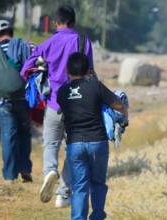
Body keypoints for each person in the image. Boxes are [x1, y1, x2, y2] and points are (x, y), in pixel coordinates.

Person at [21, 5, 93, 207]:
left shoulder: (48, 43)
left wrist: (41, 70)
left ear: (55, 22)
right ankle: (63, 193)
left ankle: (49, 171)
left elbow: (26, 69)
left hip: (54, 103)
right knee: (73, 149)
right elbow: (91, 72)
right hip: (78, 106)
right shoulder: (83, 41)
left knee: (51, 144)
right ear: (74, 21)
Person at [57, 53, 128, 220]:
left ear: (67, 70)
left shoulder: (62, 91)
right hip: (97, 142)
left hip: (74, 144)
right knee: (98, 184)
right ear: (88, 69)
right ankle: (97, 216)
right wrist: (124, 113)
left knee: (79, 187)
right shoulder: (95, 86)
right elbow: (118, 104)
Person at [0, 20, 33, 183]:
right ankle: (25, 169)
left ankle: (9, 176)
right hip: (24, 99)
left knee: (8, 136)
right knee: (24, 133)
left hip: (3, 101)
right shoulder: (26, 47)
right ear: (11, 32)